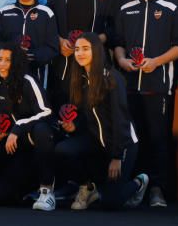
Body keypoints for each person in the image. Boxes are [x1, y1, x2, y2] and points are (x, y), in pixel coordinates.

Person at [111, 0, 178, 208]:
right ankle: (136, 187)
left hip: (159, 85)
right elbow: (118, 43)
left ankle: (158, 190)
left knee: (159, 139)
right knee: (135, 141)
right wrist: (122, 60)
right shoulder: (126, 7)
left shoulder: (172, 7)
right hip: (130, 86)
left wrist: (157, 61)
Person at [56, 32, 150, 210]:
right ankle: (87, 187)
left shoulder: (112, 78)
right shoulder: (79, 79)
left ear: (97, 51)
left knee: (110, 202)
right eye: (77, 49)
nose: (80, 53)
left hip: (122, 144)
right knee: (63, 149)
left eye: (85, 49)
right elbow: (86, 116)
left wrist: (116, 156)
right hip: (96, 142)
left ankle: (139, 182)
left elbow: (120, 119)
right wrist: (74, 125)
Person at [0, 44, 56, 210]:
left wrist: (17, 128)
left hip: (36, 146)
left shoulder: (28, 81)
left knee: (41, 130)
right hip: (16, 153)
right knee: (0, 196)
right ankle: (24, 189)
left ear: (17, 62)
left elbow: (47, 112)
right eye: (0, 59)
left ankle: (47, 190)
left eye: (8, 60)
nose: (2, 64)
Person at [49, 0, 120, 104]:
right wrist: (59, 41)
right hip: (64, 61)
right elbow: (49, 23)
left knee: (93, 110)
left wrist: (93, 43)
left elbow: (116, 28)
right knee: (64, 110)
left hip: (95, 62)